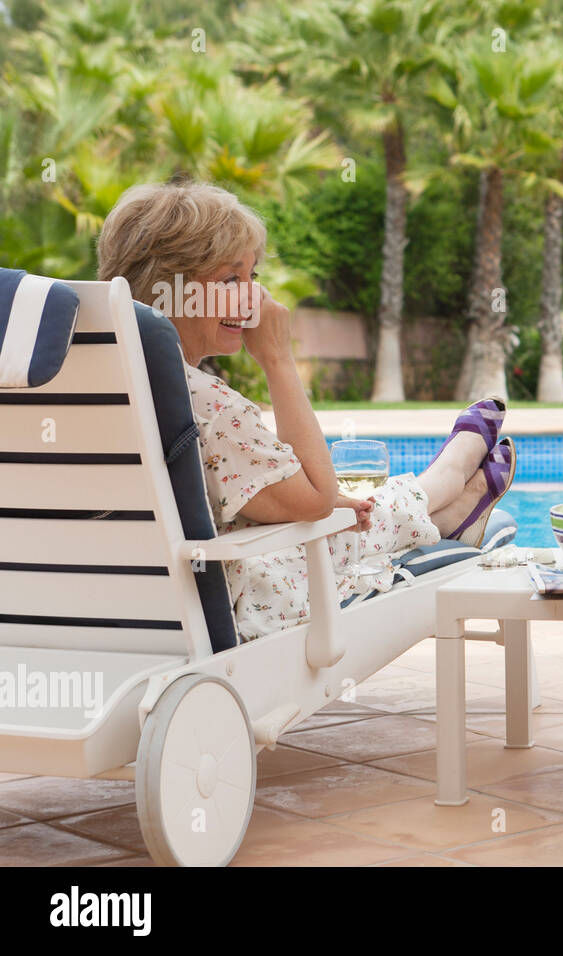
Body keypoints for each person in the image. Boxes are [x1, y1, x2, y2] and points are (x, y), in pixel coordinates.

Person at [96, 180, 515, 641]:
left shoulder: (95, 383)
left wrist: (319, 500)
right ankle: (448, 487)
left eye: (253, 277)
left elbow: (206, 495)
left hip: (115, 606)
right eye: (231, 279)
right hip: (240, 600)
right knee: (348, 520)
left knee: (347, 509)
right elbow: (316, 501)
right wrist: (278, 359)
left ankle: (447, 502)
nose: (253, 299)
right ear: (168, 289)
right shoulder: (206, 404)